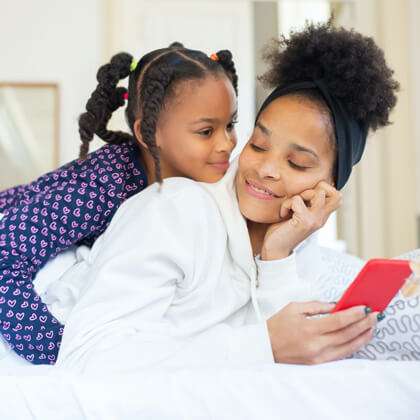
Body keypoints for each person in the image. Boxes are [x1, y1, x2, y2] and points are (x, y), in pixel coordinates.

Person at [54, 21, 399, 373]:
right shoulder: (175, 211)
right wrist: (263, 345)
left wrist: (277, 257)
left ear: (330, 186)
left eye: (296, 163)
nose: (266, 169)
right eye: (258, 144)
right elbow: (86, 358)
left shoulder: (296, 243)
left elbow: (291, 365)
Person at [0, 43, 239, 364]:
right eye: (206, 131)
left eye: (231, 125)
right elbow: (5, 255)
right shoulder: (103, 186)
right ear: (148, 132)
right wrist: (57, 351)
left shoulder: (196, 187)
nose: (227, 143)